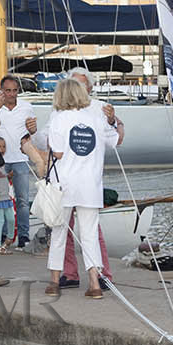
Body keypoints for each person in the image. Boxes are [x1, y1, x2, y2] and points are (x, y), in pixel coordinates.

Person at [43, 77, 117, 298]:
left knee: (59, 232)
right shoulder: (97, 119)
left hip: (64, 184)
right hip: (90, 184)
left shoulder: (58, 119)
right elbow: (114, 140)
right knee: (90, 235)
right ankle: (94, 283)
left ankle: (54, 282)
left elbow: (57, 153)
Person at [0, 75, 38, 250]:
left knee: (22, 200)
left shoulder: (27, 107)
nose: (12, 94)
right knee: (2, 201)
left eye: (15, 90)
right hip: (1, 161)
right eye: (8, 90)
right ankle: (4, 236)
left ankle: (23, 236)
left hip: (21, 158)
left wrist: (33, 129)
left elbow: (32, 132)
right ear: (1, 90)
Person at [0, 158, 15, 247]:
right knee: (0, 221)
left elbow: (7, 178)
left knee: (11, 219)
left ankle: (10, 237)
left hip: (6, 196)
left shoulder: (5, 167)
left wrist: (9, 176)